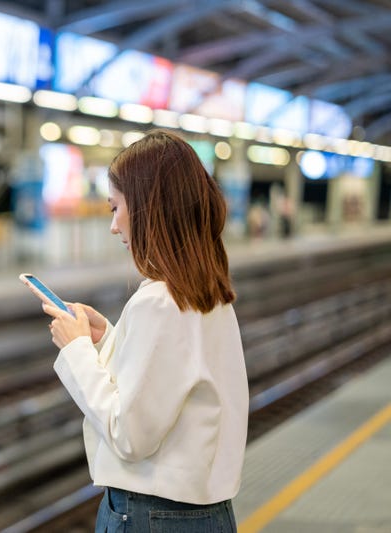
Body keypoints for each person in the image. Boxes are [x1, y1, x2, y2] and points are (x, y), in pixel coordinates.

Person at [41, 129, 248, 532]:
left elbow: (130, 435)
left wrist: (76, 350)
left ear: (149, 208)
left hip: (152, 516)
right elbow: (175, 377)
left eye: (116, 207)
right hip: (204, 514)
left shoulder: (159, 301)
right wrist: (111, 339)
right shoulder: (207, 294)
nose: (114, 226)